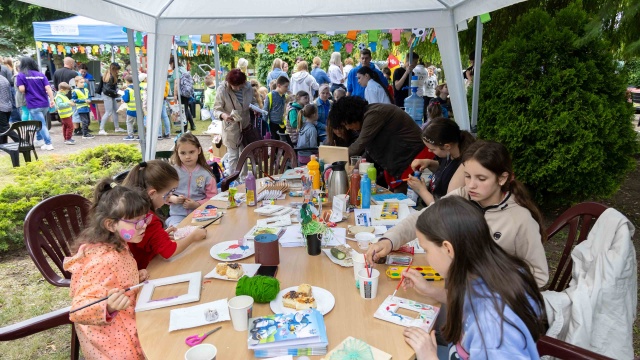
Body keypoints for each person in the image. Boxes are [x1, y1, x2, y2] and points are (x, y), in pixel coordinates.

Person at [366, 140, 549, 289]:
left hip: (491, 305)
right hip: (455, 290)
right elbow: (424, 218)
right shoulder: (463, 195)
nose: (471, 185)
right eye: (467, 176)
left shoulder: (521, 219)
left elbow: (539, 277)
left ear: (502, 178)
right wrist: (389, 240)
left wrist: (489, 281)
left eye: (481, 179)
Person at [401, 196, 545, 359]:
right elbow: (471, 302)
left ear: (448, 249)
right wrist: (430, 291)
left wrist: (429, 357)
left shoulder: (493, 330)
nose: (426, 257)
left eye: (426, 249)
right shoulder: (492, 274)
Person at [63, 180, 150, 360]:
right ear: (110, 225)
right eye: (136, 222)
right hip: (116, 337)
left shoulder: (119, 243)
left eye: (145, 219)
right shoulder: (104, 260)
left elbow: (115, 280)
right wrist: (108, 306)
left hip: (127, 316)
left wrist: (134, 279)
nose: (144, 226)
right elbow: (78, 310)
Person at [328, 96, 430, 192]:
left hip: (413, 157)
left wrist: (336, 160)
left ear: (351, 116)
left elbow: (359, 144)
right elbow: (369, 151)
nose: (347, 128)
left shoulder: (374, 114)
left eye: (346, 124)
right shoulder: (369, 116)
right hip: (401, 158)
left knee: (400, 198)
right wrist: (354, 171)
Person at [122, 160, 208, 270]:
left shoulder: (134, 212)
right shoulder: (148, 219)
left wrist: (160, 236)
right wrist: (193, 236)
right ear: (152, 193)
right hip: (145, 271)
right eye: (169, 193)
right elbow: (169, 252)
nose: (170, 197)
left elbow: (147, 240)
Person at [408, 118, 475, 206]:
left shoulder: (464, 166)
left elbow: (445, 207)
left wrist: (421, 190)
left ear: (447, 146)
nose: (429, 151)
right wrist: (429, 163)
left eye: (432, 149)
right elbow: (446, 170)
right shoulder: (451, 153)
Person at [165, 133, 218, 227]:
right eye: (183, 153)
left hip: (201, 215)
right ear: (177, 152)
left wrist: (197, 204)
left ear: (199, 150)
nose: (187, 157)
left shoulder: (207, 175)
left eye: (191, 152)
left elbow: (213, 198)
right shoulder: (172, 173)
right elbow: (162, 193)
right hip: (177, 216)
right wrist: (173, 199)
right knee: (177, 231)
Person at [213, 69, 257, 177]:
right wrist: (223, 115)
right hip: (231, 128)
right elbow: (216, 109)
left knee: (244, 154)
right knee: (233, 156)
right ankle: (232, 180)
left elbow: (253, 101)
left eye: (239, 85)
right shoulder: (222, 89)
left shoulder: (248, 87)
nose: (237, 88)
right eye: (234, 86)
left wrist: (256, 108)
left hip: (246, 127)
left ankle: (243, 180)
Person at [16, 56, 55, 151]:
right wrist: (52, 99)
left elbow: (22, 89)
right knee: (38, 123)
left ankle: (48, 143)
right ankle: (39, 139)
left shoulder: (21, 75)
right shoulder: (41, 74)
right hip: (44, 103)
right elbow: (48, 88)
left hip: (33, 104)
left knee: (41, 124)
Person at [169, 57, 195, 132]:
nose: (170, 66)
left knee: (183, 111)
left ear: (173, 63)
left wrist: (175, 95)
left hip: (181, 93)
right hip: (186, 92)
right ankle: (192, 125)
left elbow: (176, 82)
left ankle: (184, 129)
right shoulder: (182, 68)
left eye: (170, 64)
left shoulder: (176, 70)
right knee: (186, 109)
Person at [98, 62, 125, 134]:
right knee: (108, 112)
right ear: (114, 69)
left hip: (109, 94)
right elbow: (108, 89)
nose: (118, 71)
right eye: (117, 70)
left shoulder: (108, 74)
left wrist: (117, 90)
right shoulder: (111, 77)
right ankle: (101, 129)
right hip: (108, 95)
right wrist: (117, 92)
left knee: (115, 111)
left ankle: (117, 127)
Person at [262, 76, 289, 140]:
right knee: (275, 142)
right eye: (285, 86)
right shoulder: (270, 95)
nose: (287, 89)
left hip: (282, 124)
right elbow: (265, 111)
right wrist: (265, 124)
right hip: (273, 124)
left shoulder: (284, 96)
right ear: (279, 85)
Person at [0, 74, 19, 143]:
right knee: (2, 127)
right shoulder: (4, 79)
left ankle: (20, 141)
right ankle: (3, 144)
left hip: (1, 107)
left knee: (4, 128)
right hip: (7, 106)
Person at [121, 75, 139, 141]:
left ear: (127, 82)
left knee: (129, 122)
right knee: (139, 122)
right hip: (138, 109)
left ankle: (130, 135)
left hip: (131, 109)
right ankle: (140, 135)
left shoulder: (127, 90)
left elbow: (126, 99)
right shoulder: (137, 88)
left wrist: (122, 97)